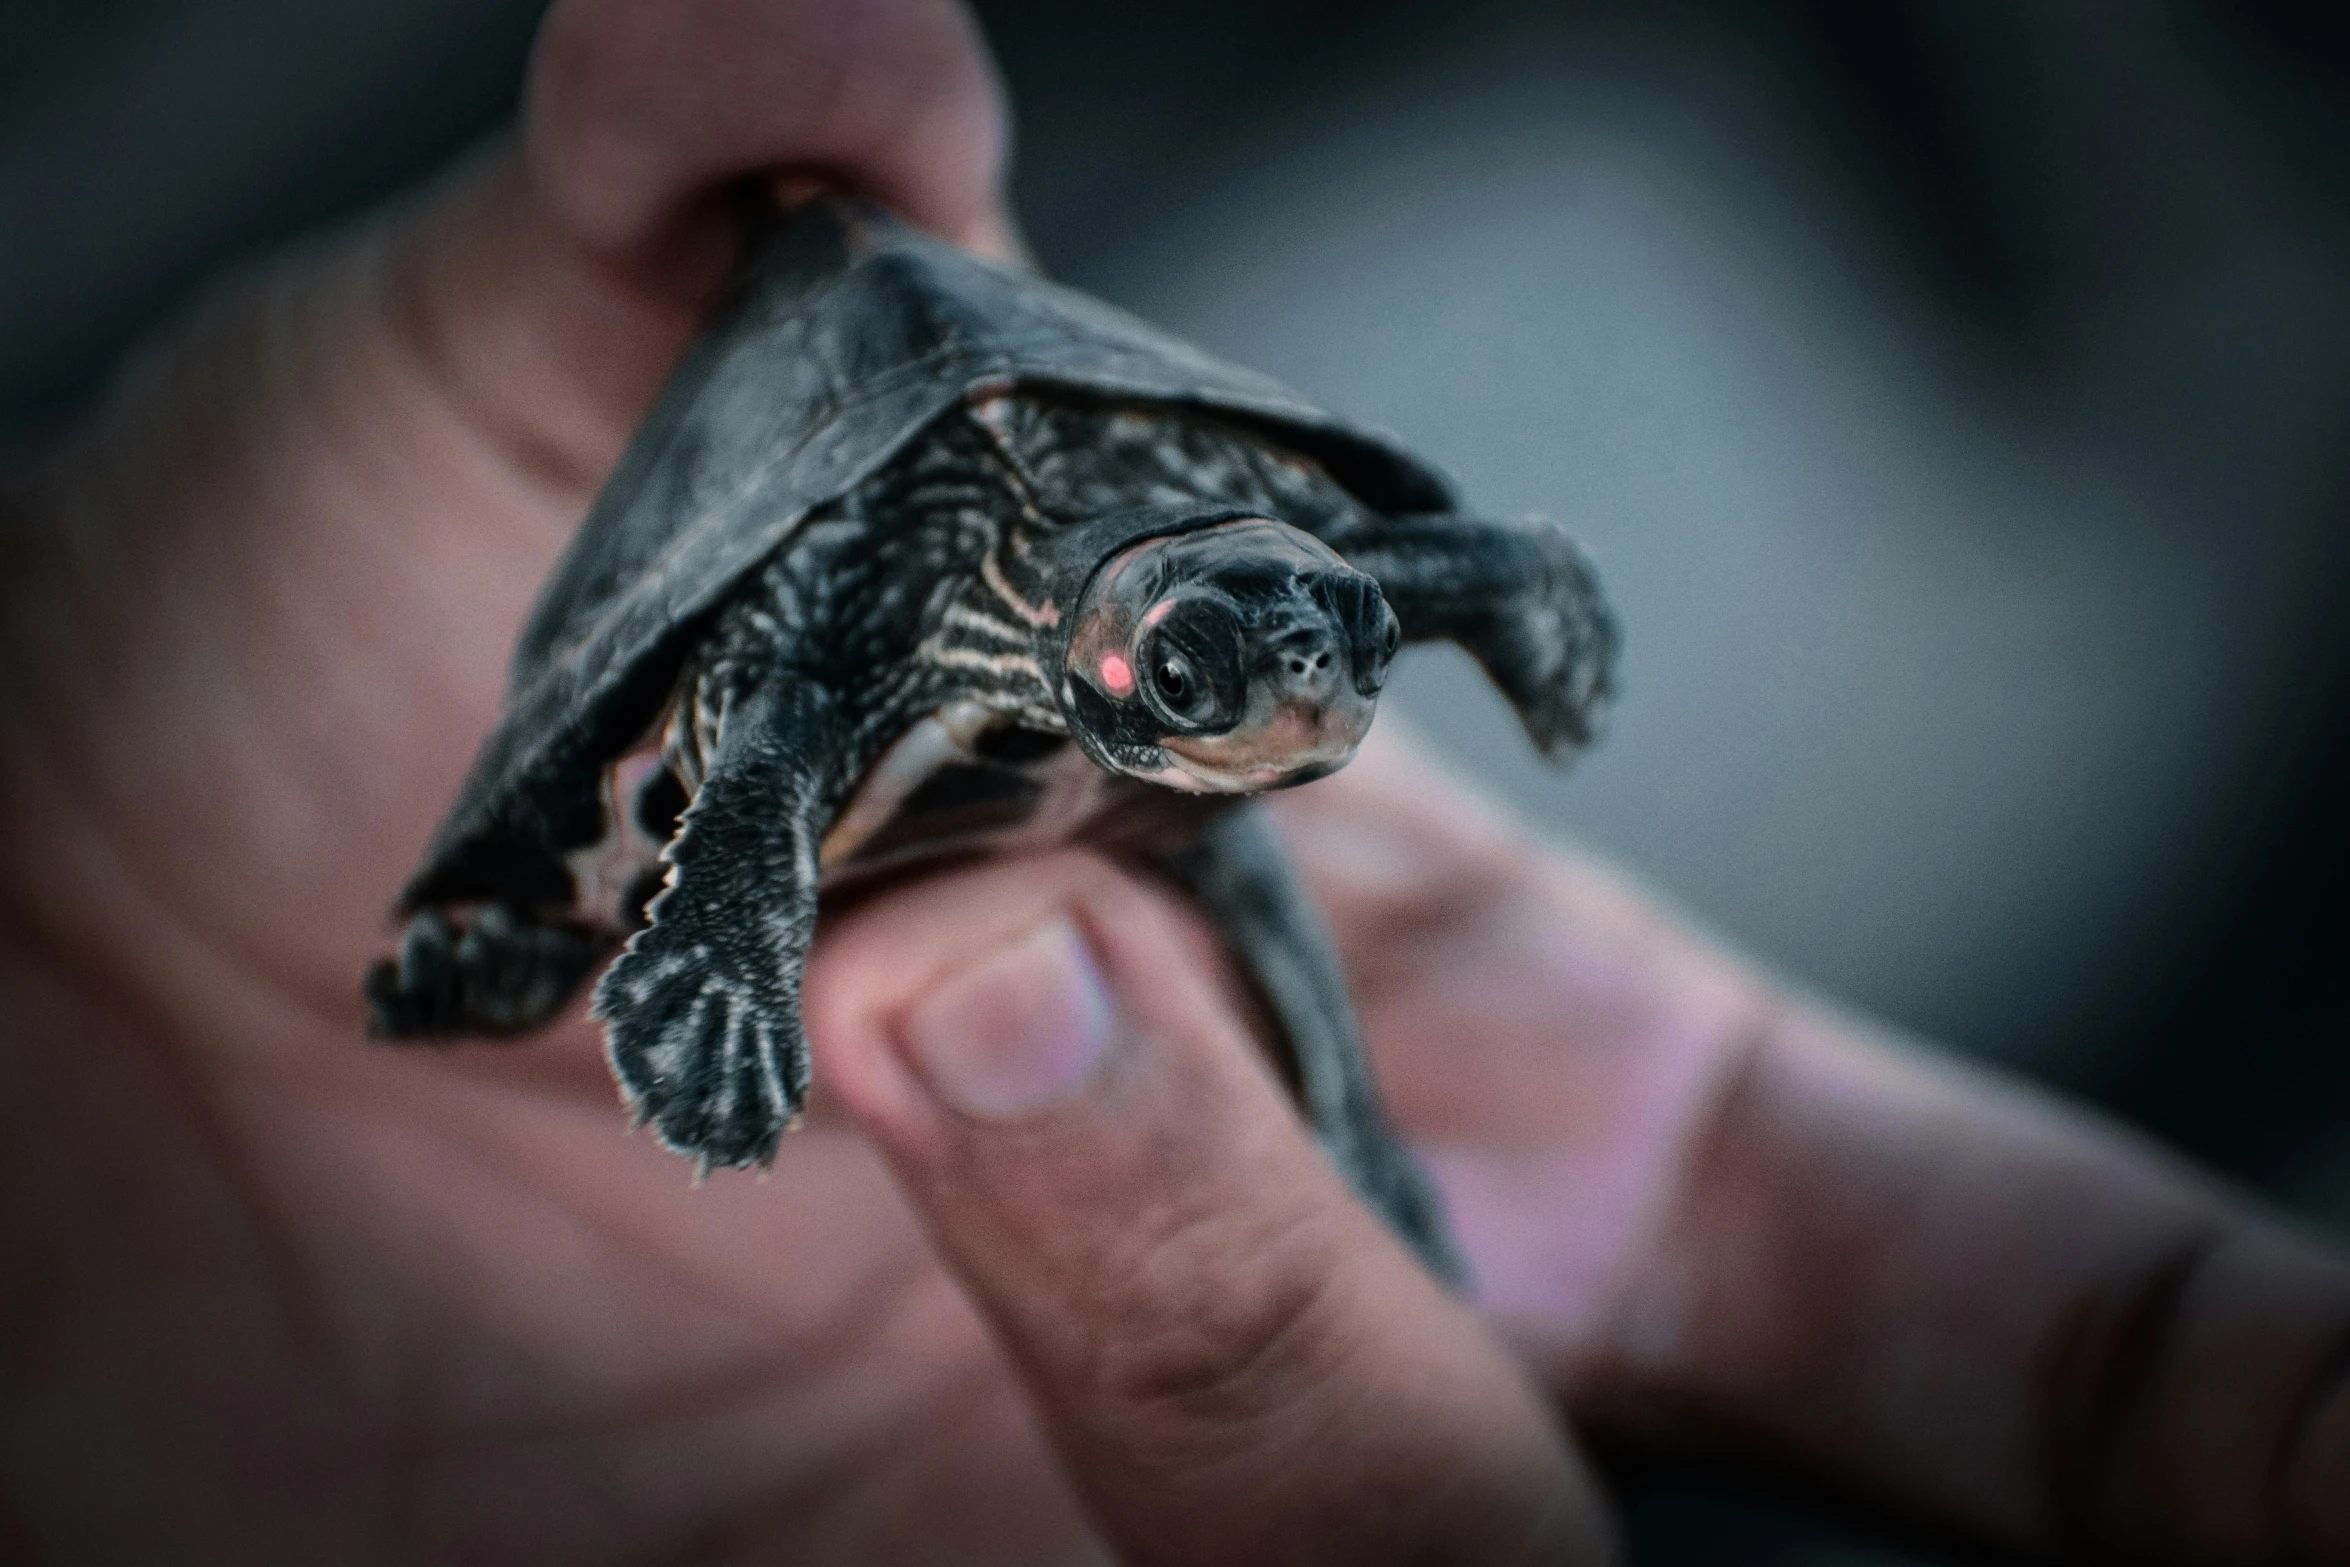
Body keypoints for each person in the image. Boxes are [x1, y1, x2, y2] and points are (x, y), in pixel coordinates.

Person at [0, 1, 2342, 1561]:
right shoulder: (905, 578)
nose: (1297, 689)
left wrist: (1483, 598)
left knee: (1244, 890)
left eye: (1306, 651)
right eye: (1238, 654)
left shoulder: (1242, 615)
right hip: (691, 738)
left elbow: (1394, 565)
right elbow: (788, 677)